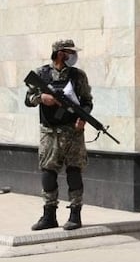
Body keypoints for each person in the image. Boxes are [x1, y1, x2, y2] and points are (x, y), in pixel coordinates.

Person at [24, 39, 93, 231]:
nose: (74, 56)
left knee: (74, 171)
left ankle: (75, 214)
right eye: (71, 52)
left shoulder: (78, 76)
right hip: (49, 132)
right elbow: (28, 99)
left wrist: (83, 118)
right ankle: (49, 215)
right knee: (48, 172)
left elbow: (87, 101)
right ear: (61, 53)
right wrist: (41, 98)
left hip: (72, 132)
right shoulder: (41, 74)